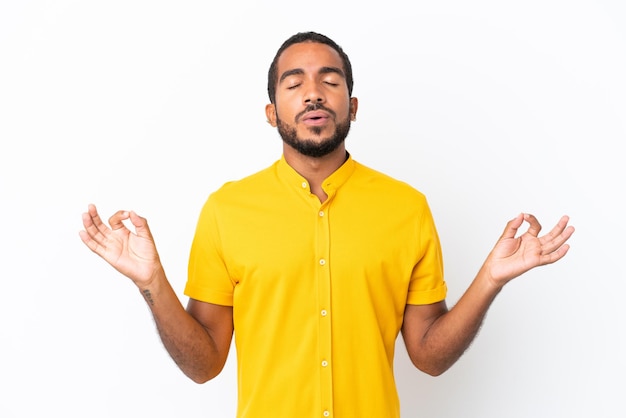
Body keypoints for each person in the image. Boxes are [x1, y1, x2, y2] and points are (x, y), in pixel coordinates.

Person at [79, 31, 575, 418]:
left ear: (352, 106)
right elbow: (204, 363)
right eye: (294, 84)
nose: (313, 94)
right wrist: (151, 284)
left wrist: (490, 280)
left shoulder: (407, 208)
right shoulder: (226, 210)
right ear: (273, 113)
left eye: (330, 81)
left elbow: (429, 355)